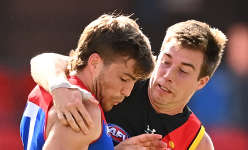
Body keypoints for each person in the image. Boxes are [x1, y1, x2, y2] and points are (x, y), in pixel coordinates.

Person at [30, 19, 227, 149]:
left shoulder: (196, 142)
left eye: (183, 71)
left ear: (202, 82)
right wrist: (59, 87)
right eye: (165, 61)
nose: (167, 75)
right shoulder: (121, 77)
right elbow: (44, 61)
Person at [20, 14, 168, 150]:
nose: (127, 92)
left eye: (133, 82)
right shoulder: (83, 111)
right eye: (124, 78)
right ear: (95, 62)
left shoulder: (54, 80)